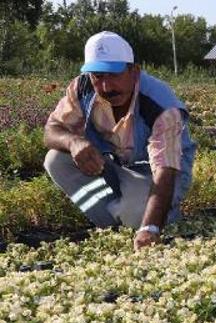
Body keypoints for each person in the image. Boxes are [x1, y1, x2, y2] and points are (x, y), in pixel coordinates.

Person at [43, 31, 196, 249]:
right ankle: (111, 222)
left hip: (160, 174)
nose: (106, 87)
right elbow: (51, 130)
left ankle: (146, 216)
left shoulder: (160, 106)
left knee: (140, 216)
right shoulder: (83, 87)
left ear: (134, 71)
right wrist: (73, 142)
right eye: (98, 76)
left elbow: (165, 172)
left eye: (114, 75)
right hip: (114, 164)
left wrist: (150, 228)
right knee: (55, 159)